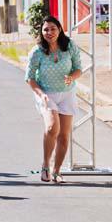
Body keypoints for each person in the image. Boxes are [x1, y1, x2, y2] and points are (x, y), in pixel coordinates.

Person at [25, 16, 82, 184]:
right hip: (46, 93)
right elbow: (29, 78)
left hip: (67, 93)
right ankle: (45, 165)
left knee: (64, 135)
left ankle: (57, 171)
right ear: (41, 33)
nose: (49, 32)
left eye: (52, 29)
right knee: (52, 128)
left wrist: (71, 77)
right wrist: (41, 94)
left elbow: (78, 68)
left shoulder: (69, 46)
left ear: (59, 30)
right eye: (45, 30)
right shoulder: (37, 51)